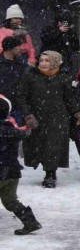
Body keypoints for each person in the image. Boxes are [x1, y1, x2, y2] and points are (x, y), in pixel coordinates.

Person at [16, 51, 80, 188]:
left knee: (52, 146)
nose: (43, 63)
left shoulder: (63, 78)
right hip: (36, 117)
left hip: (57, 118)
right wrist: (28, 114)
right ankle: (41, 164)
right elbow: (21, 96)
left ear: (55, 62)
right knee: (36, 145)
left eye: (47, 60)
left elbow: (69, 99)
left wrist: (77, 113)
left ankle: (50, 174)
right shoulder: (31, 76)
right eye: (41, 60)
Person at [0, 95, 41, 235]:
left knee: (10, 201)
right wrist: (28, 128)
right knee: (10, 201)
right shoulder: (12, 129)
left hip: (2, 172)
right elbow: (24, 133)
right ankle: (30, 222)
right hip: (11, 173)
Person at [40, 6, 79, 74]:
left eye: (66, 23)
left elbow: (76, 47)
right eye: (62, 22)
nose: (63, 24)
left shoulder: (70, 32)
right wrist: (59, 32)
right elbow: (45, 39)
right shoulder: (49, 29)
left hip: (66, 63)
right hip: (50, 62)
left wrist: (71, 34)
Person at [0, 36, 26, 121]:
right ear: (10, 47)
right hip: (1, 105)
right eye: (18, 46)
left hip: (17, 106)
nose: (21, 49)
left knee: (19, 132)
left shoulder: (21, 65)